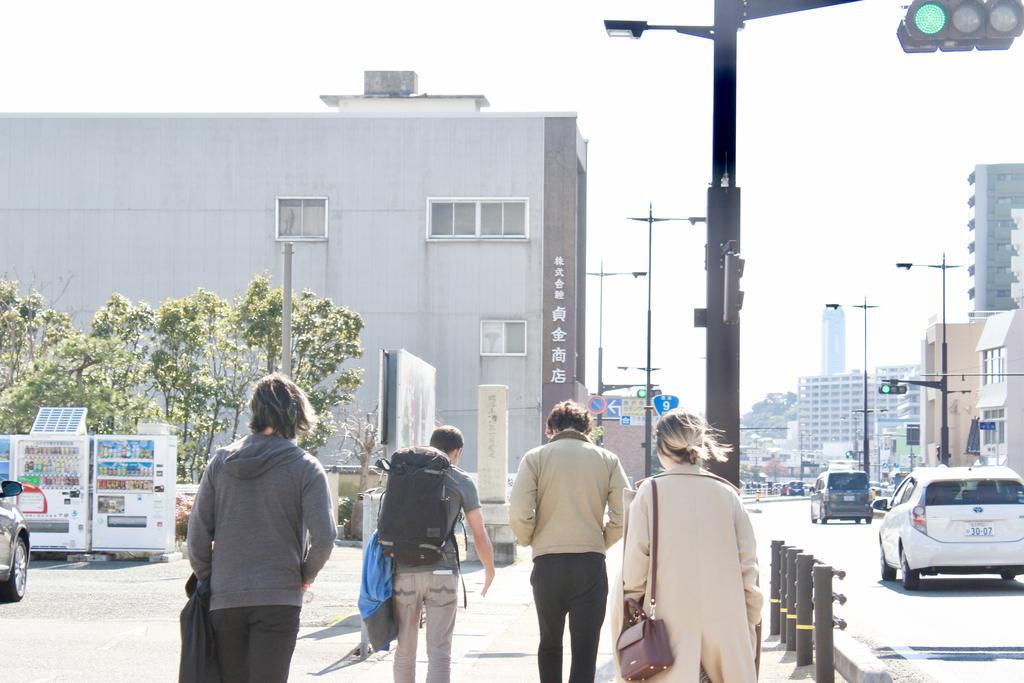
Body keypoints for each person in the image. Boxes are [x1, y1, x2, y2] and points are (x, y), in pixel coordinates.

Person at [187, 373, 337, 683]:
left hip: (226, 597)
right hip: (279, 597)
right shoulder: (305, 467)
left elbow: (197, 535)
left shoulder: (220, 463)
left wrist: (210, 578)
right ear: (295, 414)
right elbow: (325, 538)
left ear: (256, 412)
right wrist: (304, 576)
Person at [614, 408, 763, 683]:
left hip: (666, 627)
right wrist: (749, 620)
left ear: (661, 447)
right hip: (726, 624)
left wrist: (631, 606)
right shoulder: (727, 493)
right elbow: (748, 567)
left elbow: (636, 566)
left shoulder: (651, 492)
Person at [509, 400, 629, 683]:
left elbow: (518, 511)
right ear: (587, 428)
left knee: (549, 642)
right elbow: (624, 513)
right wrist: (602, 541)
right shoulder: (607, 459)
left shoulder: (536, 457)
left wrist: (530, 539)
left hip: (547, 563)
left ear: (551, 428)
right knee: (585, 650)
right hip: (590, 563)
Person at [392, 425, 496, 683]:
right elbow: (479, 534)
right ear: (457, 451)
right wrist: (489, 570)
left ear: (431, 444)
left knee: (404, 649)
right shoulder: (461, 480)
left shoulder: (404, 472)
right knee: (439, 652)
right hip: (442, 570)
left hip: (404, 569)